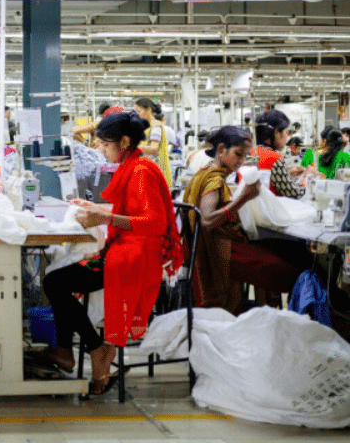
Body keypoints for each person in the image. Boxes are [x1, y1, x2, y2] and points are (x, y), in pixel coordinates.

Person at [34, 112, 183, 396]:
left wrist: (104, 219)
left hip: (135, 257)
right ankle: (68, 350)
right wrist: (98, 210)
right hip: (125, 248)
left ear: (124, 142)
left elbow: (154, 223)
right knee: (56, 278)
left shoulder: (140, 172)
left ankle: (93, 347)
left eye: (105, 144)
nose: (100, 150)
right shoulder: (132, 167)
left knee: (55, 282)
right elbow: (130, 212)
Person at [183, 126, 305, 314]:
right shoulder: (214, 181)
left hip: (216, 247)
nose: (241, 161)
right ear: (222, 149)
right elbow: (206, 220)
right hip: (220, 253)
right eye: (238, 154)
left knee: (280, 249)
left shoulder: (205, 172)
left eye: (244, 156)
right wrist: (244, 198)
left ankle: (267, 313)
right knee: (290, 272)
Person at [251, 110, 312, 199]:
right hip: (270, 209)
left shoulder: (252, 152)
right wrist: (306, 178)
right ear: (276, 132)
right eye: (286, 132)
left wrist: (286, 175)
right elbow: (295, 193)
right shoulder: (274, 158)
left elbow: (269, 179)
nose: (287, 137)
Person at [133, 98, 172, 187]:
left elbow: (154, 148)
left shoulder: (155, 126)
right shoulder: (147, 127)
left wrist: (133, 148)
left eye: (139, 111)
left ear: (149, 110)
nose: (137, 115)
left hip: (153, 171)